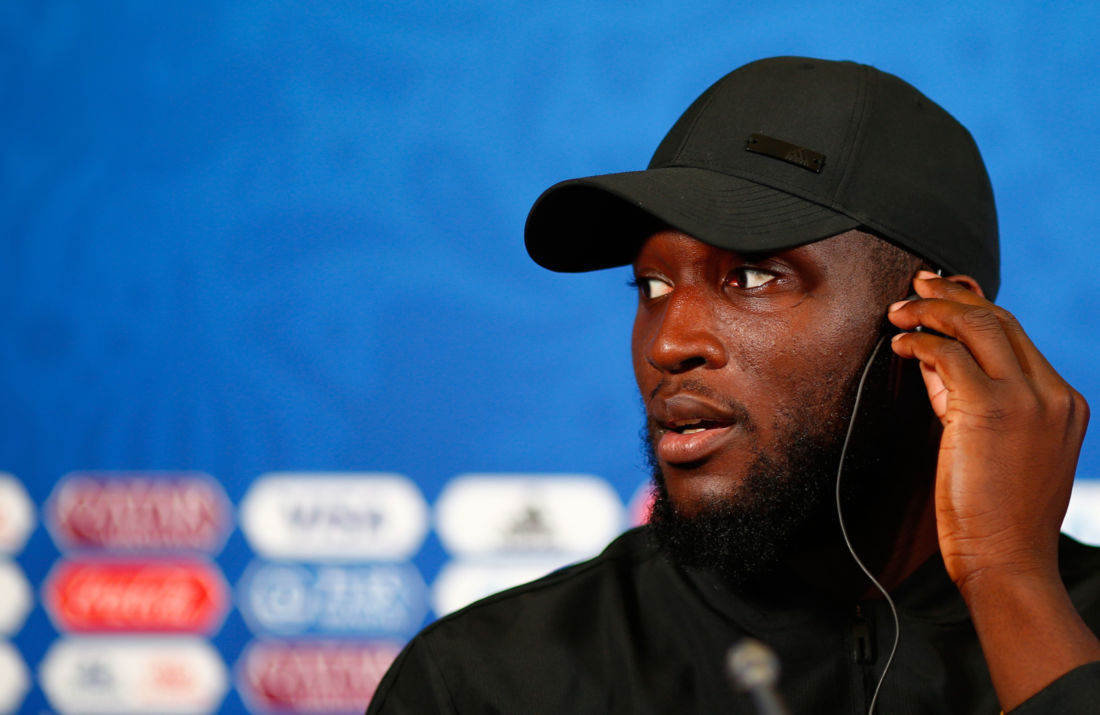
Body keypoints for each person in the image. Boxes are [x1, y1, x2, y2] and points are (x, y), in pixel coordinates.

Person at [367, 57, 1100, 713]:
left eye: (750, 277)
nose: (668, 343)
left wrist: (1010, 577)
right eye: (651, 284)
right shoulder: (487, 683)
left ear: (943, 323)